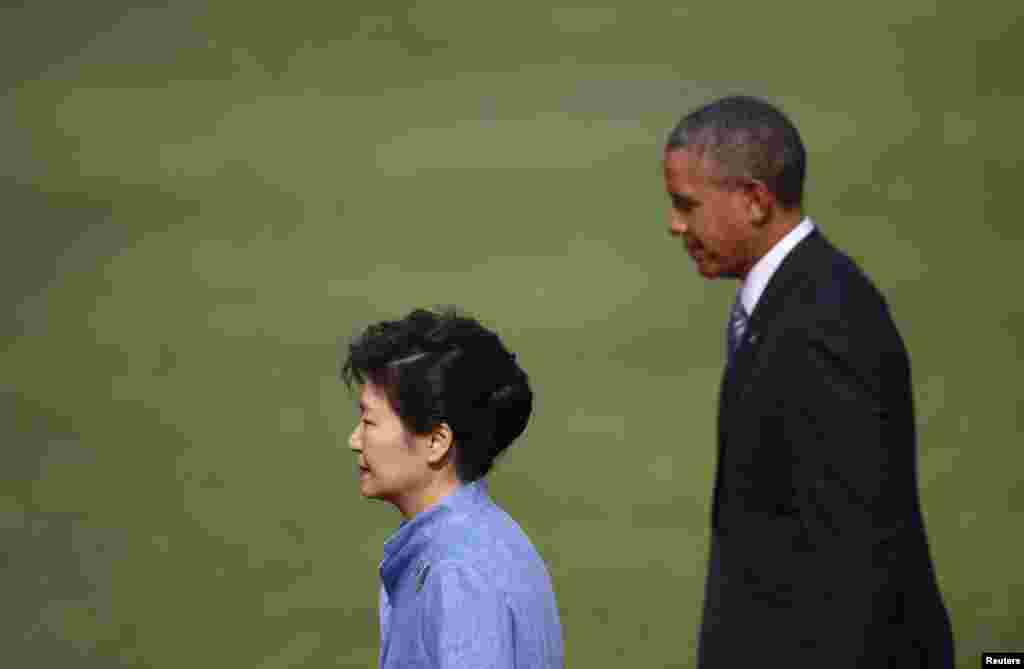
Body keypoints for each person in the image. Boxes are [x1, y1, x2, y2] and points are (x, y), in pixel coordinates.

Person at [663, 96, 954, 667]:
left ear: (753, 200)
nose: (675, 225)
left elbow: (853, 551)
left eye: (686, 205)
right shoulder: (794, 299)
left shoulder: (823, 323)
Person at [342, 306, 564, 669]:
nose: (355, 439)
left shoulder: (458, 575)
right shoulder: (482, 540)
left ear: (437, 441)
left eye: (369, 421)